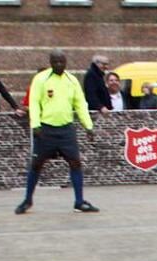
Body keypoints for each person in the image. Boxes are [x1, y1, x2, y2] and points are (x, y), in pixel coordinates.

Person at [16, 49, 98, 215]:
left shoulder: (72, 80)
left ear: (66, 62)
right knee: (37, 164)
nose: (59, 65)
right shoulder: (41, 79)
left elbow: (80, 104)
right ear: (50, 62)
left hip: (66, 129)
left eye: (62, 62)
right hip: (45, 129)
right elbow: (34, 101)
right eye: (55, 62)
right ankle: (27, 199)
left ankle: (79, 202)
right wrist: (36, 125)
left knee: (75, 163)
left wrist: (88, 126)